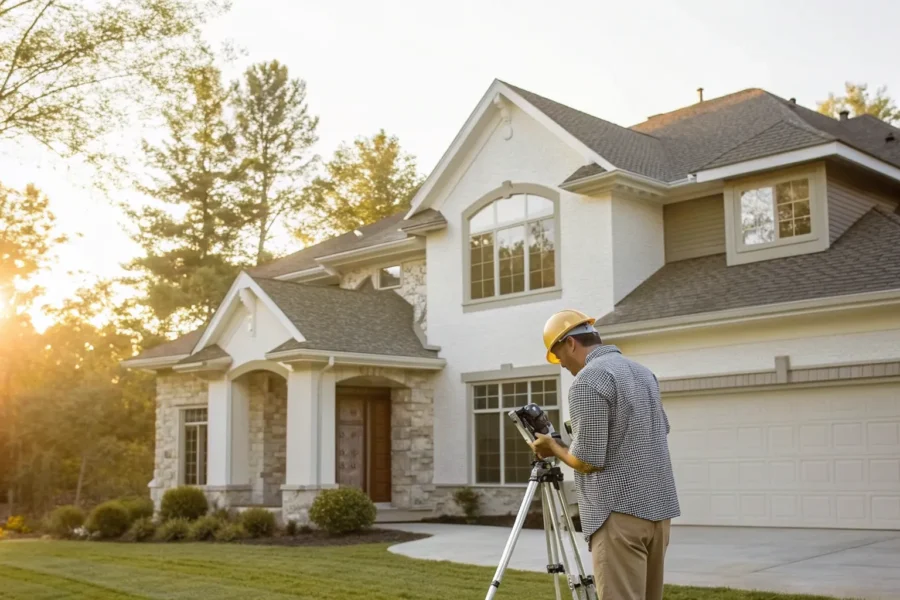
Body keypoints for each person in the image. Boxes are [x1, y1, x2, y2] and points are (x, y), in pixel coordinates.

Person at [530, 309, 680, 600]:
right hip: (659, 512)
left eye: (558, 354)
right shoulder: (643, 373)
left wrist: (552, 447)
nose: (561, 364)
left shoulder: (588, 381)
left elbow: (587, 461)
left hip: (618, 514)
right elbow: (661, 428)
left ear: (570, 344)